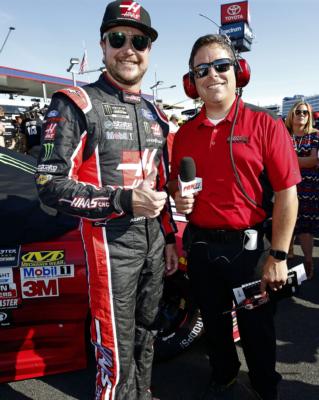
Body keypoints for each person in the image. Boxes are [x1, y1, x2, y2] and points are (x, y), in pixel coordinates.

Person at [36, 1, 178, 399]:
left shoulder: (157, 113)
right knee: (114, 351)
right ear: (102, 45)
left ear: (149, 50)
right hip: (109, 245)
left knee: (148, 337)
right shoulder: (75, 103)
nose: (128, 49)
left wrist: (167, 238)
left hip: (153, 244)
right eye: (118, 39)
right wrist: (121, 200)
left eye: (139, 41)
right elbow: (49, 183)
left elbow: (161, 183)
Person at [168, 34, 300, 400]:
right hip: (201, 249)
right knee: (213, 325)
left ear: (238, 71)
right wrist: (179, 197)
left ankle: (263, 389)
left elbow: (288, 193)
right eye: (202, 69)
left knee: (258, 332)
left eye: (221, 65)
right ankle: (223, 377)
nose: (213, 75)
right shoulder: (183, 136)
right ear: (191, 82)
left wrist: (278, 255)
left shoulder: (266, 125)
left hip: (250, 252)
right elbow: (175, 187)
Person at [285, 101, 319, 279]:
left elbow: (313, 161)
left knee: (306, 227)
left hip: (308, 188)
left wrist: (289, 158)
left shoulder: (315, 136)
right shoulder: (283, 135)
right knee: (285, 222)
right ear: (292, 114)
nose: (302, 115)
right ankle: (286, 256)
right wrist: (301, 160)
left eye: (306, 112)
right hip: (286, 186)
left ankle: (308, 261)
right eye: (298, 111)